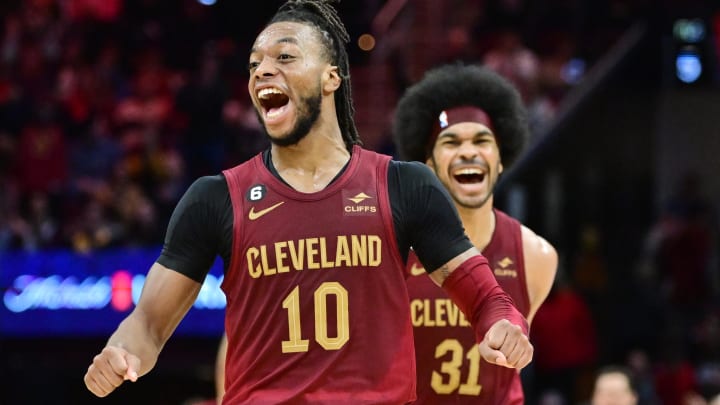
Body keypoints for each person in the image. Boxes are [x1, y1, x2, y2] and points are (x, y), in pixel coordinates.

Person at [82, 1, 534, 404]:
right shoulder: (215, 197)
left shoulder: (402, 186)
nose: (262, 70)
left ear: (331, 76)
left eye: (284, 57)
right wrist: (120, 351)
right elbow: (149, 324)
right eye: (255, 63)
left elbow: (486, 298)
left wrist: (502, 326)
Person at [392, 63, 558, 404]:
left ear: (499, 160)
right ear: (428, 166)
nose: (469, 151)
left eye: (482, 140)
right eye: (451, 142)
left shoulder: (536, 255)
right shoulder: (394, 248)